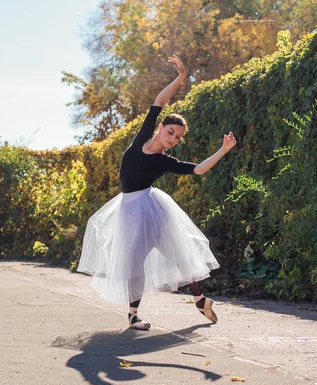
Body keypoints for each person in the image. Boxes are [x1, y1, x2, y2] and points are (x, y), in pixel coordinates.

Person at [77, 55, 237, 330]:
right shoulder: (142, 137)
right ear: (161, 126)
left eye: (177, 138)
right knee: (136, 262)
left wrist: (223, 150)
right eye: (171, 132)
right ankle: (158, 310)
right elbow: (158, 102)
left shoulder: (164, 161)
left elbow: (198, 169)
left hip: (149, 211)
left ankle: (192, 300)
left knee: (172, 255)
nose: (173, 139)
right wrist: (180, 79)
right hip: (128, 208)